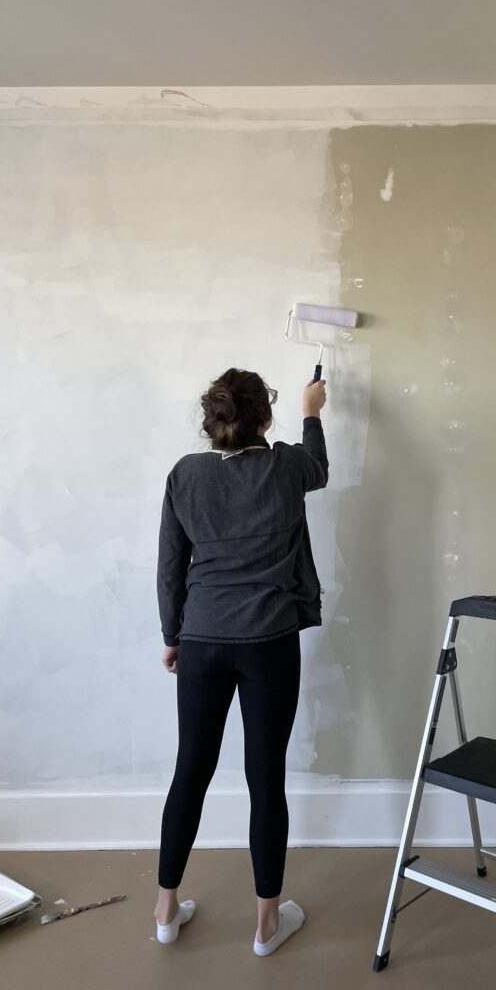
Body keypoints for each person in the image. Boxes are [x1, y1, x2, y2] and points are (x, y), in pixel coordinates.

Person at [153, 367, 328, 955]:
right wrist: (313, 410)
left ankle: (165, 910)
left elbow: (170, 567)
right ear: (265, 417)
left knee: (190, 773)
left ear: (214, 419)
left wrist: (172, 634)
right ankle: (266, 924)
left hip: (200, 639)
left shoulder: (185, 474)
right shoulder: (285, 466)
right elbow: (319, 467)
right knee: (265, 779)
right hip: (269, 642)